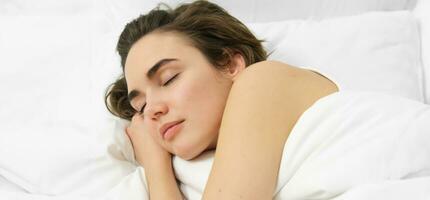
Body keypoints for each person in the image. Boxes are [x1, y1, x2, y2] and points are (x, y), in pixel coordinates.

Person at [104, 0, 338, 199]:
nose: (152, 110)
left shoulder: (262, 80)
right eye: (141, 106)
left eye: (168, 79)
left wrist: (156, 166)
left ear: (231, 64)